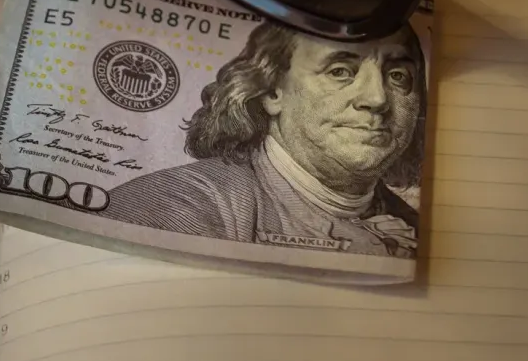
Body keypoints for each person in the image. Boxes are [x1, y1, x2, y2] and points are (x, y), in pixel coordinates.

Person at [98, 23, 427, 258]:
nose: (377, 98)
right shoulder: (173, 206)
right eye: (340, 71)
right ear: (272, 92)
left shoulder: (417, 227)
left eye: (398, 76)